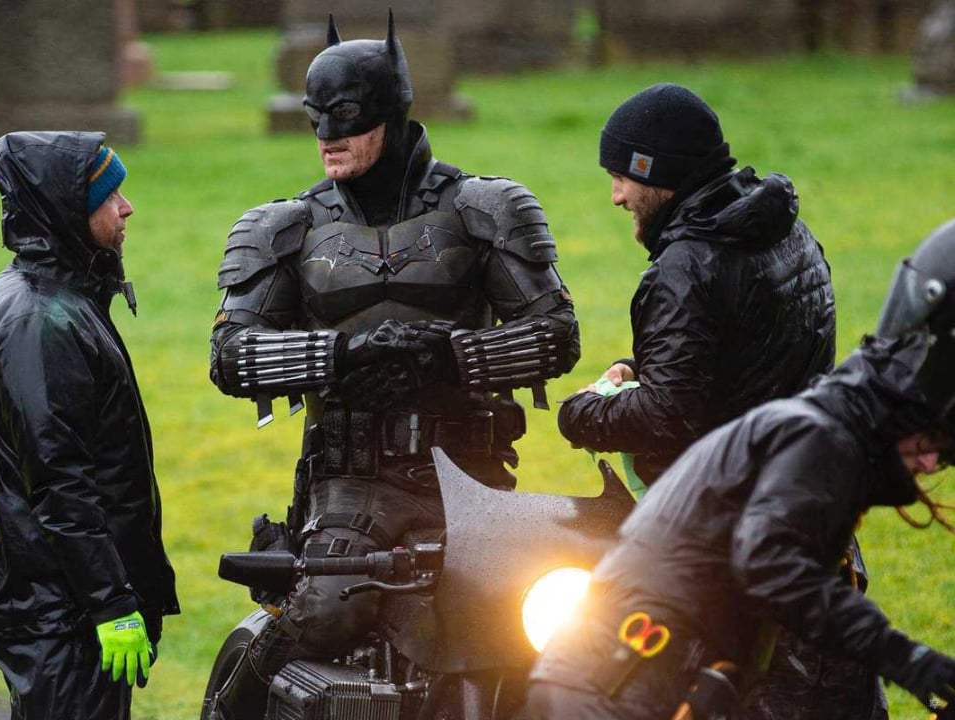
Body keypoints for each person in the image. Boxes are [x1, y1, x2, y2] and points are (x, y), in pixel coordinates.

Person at [208, 12, 580, 712]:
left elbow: (556, 333)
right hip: (348, 487)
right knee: (323, 613)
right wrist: (339, 353)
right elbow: (231, 355)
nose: (327, 136)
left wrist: (456, 357)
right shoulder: (284, 226)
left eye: (344, 117)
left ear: (392, 112)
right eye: (315, 117)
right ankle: (235, 703)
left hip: (472, 481)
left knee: (554, 632)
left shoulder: (485, 209)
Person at [527, 218, 955, 719]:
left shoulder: (831, 436)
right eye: (929, 443)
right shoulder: (820, 439)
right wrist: (909, 659)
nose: (930, 464)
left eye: (946, 455)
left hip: (647, 684)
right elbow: (771, 563)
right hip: (609, 693)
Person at [0, 131, 179, 719]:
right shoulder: (39, 320)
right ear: (67, 208)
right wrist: (111, 605)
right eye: (110, 196)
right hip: (61, 614)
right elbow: (59, 481)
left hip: (64, 604)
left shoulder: (65, 296)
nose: (126, 206)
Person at [558, 82, 835, 489]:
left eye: (621, 177)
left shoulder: (687, 266)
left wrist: (580, 411)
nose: (616, 197)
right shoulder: (786, 232)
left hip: (723, 513)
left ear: (658, 172)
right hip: (803, 485)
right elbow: (750, 360)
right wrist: (641, 370)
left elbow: (664, 419)